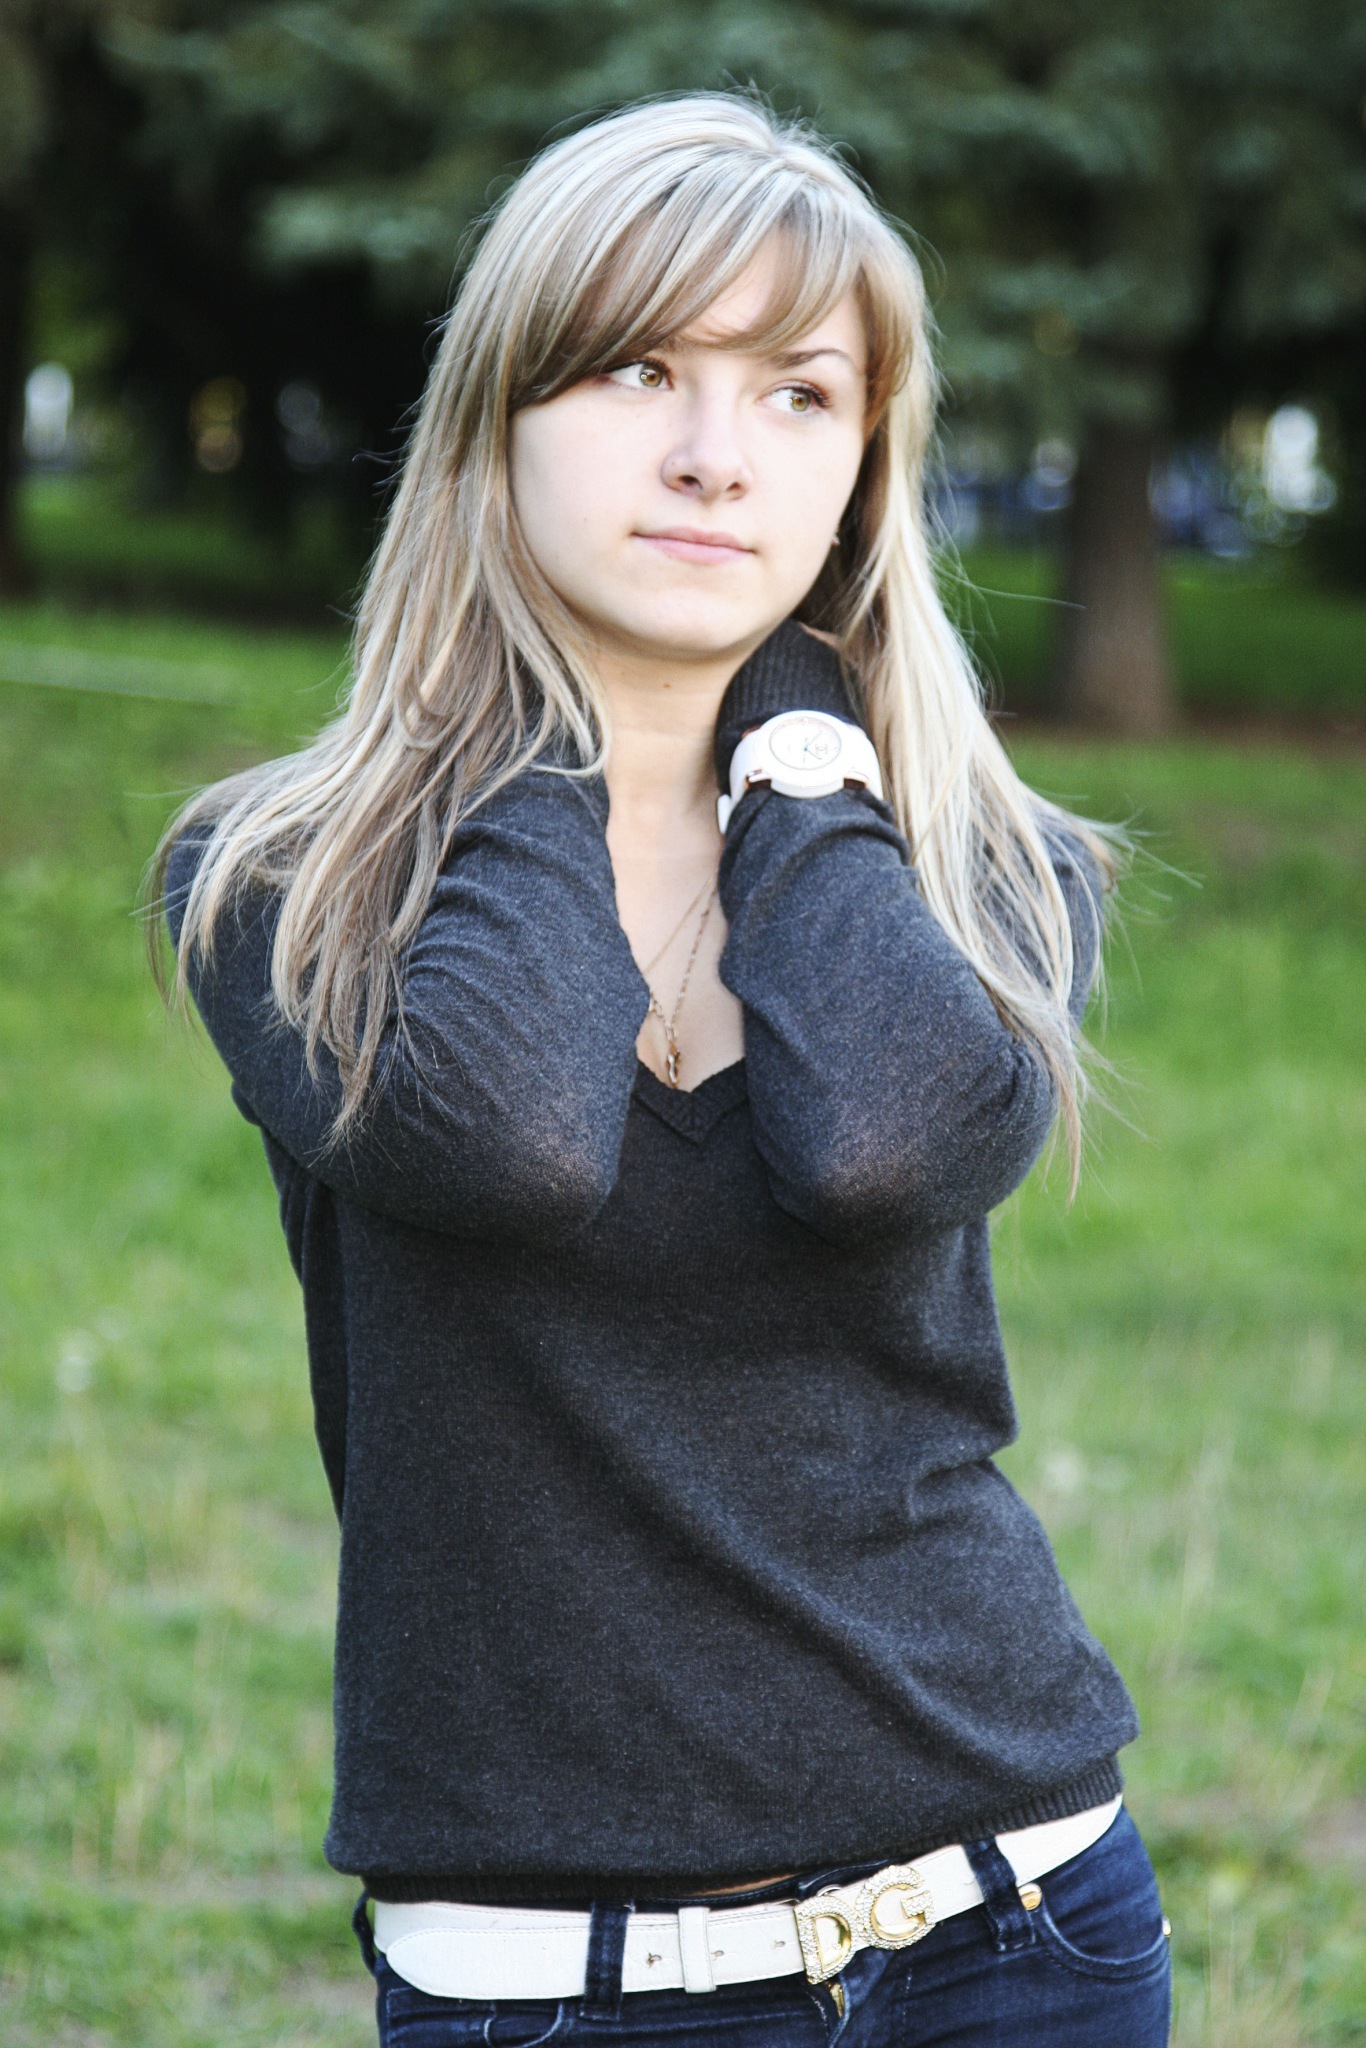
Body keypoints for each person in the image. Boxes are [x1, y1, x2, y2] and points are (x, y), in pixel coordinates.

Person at [152, 92, 1172, 2048]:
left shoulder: (985, 872)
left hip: (1014, 1930)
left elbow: (880, 1144)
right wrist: (552, 726)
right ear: (496, 416)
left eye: (799, 394)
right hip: (555, 1987)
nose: (716, 453)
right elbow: (510, 1131)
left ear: (863, 466)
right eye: (638, 369)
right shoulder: (283, 886)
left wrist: (792, 742)